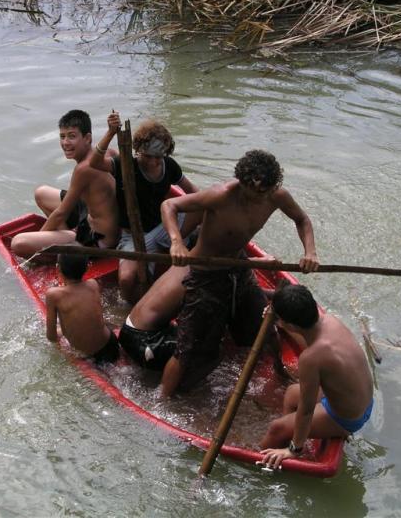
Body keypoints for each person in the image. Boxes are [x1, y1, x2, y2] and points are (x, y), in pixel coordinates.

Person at [126, 149, 319, 396]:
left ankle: (281, 374)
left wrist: (310, 252)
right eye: (254, 192)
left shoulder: (276, 196)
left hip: (240, 267)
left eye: (266, 191)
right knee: (190, 347)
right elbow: (169, 205)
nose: (260, 198)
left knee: (266, 325)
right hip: (204, 274)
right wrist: (176, 242)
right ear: (242, 183)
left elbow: (302, 219)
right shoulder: (221, 195)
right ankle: (163, 397)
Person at [259, 283, 374, 469]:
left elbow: (306, 409)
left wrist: (294, 449)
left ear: (289, 324)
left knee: (276, 428)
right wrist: (279, 321)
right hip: (362, 401)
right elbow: (307, 336)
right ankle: (294, 434)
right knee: (290, 393)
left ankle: (285, 452)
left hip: (348, 417)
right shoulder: (330, 321)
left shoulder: (311, 358)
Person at [89, 111, 199, 303]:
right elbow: (95, 162)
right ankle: (133, 309)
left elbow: (195, 194)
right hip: (133, 235)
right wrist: (110, 133)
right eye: (148, 156)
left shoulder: (169, 165)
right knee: (126, 279)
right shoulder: (125, 165)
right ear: (138, 150)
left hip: (164, 226)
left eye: (159, 157)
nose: (154, 162)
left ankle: (183, 246)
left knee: (203, 209)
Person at [11, 110, 119, 258]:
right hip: (88, 219)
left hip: (97, 239)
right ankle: (65, 239)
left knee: (18, 243)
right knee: (41, 193)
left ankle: (64, 252)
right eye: (62, 136)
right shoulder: (109, 152)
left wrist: (37, 244)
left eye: (72, 136)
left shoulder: (84, 169)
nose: (65, 143)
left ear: (87, 138)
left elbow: (61, 213)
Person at [44, 253, 120, 364]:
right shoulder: (93, 284)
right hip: (111, 343)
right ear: (88, 267)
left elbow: (51, 337)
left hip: (90, 356)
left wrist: (61, 333)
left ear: (57, 268)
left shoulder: (53, 295)